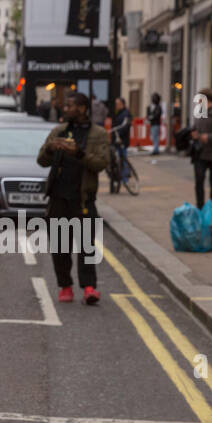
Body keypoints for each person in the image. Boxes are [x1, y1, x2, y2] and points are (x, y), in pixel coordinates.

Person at [37, 91, 109, 307]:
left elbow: (101, 164)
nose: (65, 109)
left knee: (86, 245)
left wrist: (79, 152)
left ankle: (89, 287)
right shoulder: (58, 131)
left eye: (69, 106)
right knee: (60, 246)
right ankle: (65, 286)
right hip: (59, 197)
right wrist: (51, 148)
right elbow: (41, 160)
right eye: (65, 105)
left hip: (83, 197)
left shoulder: (98, 134)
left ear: (82, 108)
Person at [109, 96, 132, 191]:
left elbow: (125, 126)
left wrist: (117, 132)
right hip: (116, 140)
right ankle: (118, 177)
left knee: (123, 158)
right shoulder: (118, 113)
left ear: (122, 104)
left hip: (122, 140)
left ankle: (125, 177)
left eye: (117, 104)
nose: (116, 105)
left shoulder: (126, 114)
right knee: (115, 159)